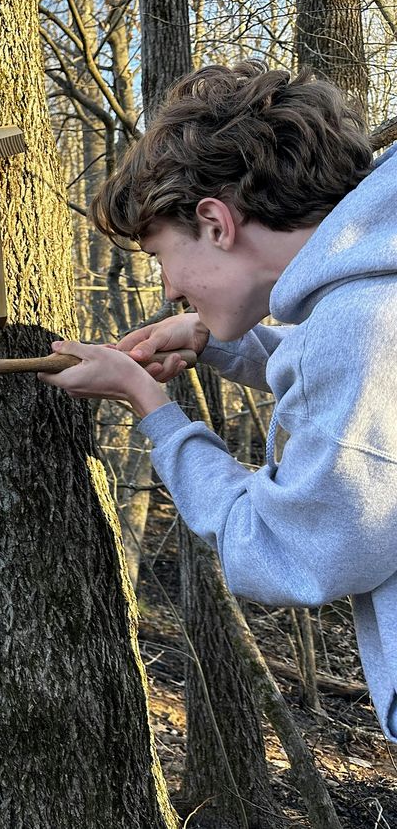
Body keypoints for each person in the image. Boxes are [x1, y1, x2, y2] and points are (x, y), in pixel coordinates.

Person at [36, 61, 397, 740]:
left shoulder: (359, 330)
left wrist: (151, 408)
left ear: (215, 221)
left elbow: (284, 550)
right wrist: (220, 341)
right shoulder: (373, 296)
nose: (170, 288)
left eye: (161, 256)